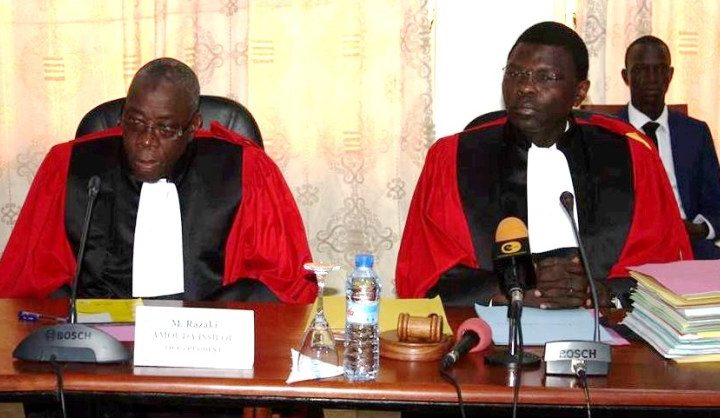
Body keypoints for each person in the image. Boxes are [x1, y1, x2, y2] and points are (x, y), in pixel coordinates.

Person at [395, 22, 692, 308]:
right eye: (515, 73)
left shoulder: (631, 156)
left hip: (602, 330)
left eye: (545, 77)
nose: (525, 87)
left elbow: (668, 272)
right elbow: (424, 276)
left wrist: (601, 291)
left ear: (579, 92)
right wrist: (511, 289)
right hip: (494, 329)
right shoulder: (453, 157)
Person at [0, 58, 316, 303]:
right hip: (94, 345)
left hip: (206, 342)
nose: (146, 140)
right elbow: (24, 281)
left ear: (193, 127)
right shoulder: (70, 167)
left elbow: (285, 286)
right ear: (122, 116)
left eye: (166, 128)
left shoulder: (245, 170)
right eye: (135, 122)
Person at [618, 35, 720, 260]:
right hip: (628, 248)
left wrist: (700, 229)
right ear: (626, 76)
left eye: (660, 70)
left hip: (689, 245)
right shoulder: (607, 133)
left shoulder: (695, 133)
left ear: (670, 75)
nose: (652, 79)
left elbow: (717, 203)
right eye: (641, 70)